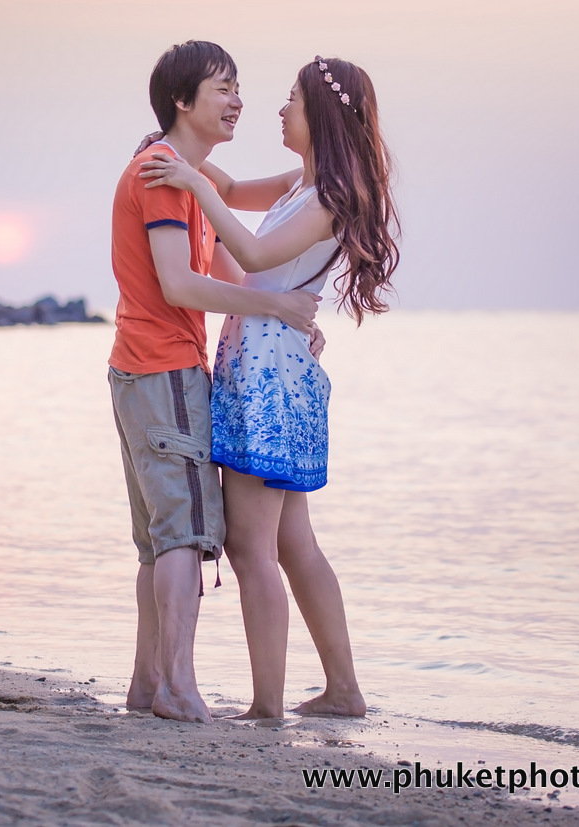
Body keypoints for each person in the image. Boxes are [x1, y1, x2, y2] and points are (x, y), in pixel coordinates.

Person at [140, 55, 399, 719]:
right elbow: (223, 181)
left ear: (324, 118)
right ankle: (342, 689)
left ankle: (268, 706)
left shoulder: (330, 200)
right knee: (291, 543)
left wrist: (193, 186)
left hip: (268, 376)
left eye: (292, 101)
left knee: (252, 546)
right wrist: (171, 151)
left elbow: (254, 256)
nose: (279, 112)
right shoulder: (297, 182)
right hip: (270, 358)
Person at [110, 40, 322, 724]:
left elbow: (237, 243)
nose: (238, 101)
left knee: (158, 538)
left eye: (240, 89)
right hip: (163, 365)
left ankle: (148, 685)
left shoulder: (181, 173)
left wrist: (289, 319)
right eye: (223, 88)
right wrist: (277, 305)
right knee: (183, 536)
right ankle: (175, 686)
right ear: (183, 99)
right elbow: (178, 282)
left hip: (146, 368)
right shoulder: (166, 177)